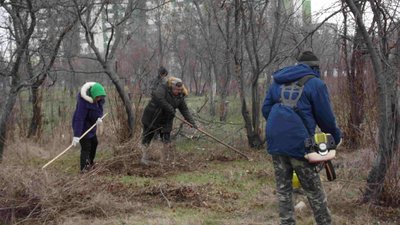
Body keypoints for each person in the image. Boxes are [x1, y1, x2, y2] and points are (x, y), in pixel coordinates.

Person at [262, 51, 341, 225]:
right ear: (315, 67)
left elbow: (265, 110)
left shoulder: (278, 81)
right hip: (300, 145)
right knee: (314, 192)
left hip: (276, 142)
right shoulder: (316, 84)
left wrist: (281, 128)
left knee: (284, 189)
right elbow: (326, 119)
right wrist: (336, 138)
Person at [141, 76, 196, 165]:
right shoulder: (163, 88)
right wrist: (169, 108)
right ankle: (143, 157)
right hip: (152, 116)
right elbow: (159, 98)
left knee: (166, 139)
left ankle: (165, 159)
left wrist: (191, 122)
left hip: (166, 120)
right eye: (177, 90)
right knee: (147, 137)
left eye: (180, 90)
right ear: (171, 88)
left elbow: (184, 110)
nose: (178, 91)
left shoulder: (180, 96)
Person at [72, 82, 106, 172]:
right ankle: (84, 168)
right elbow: (79, 119)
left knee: (94, 143)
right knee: (86, 147)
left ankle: (90, 162)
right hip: (82, 127)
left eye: (100, 97)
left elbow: (100, 111)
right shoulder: (83, 103)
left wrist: (99, 117)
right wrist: (76, 135)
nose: (99, 99)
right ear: (93, 95)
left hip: (91, 127)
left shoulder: (99, 101)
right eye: (97, 97)